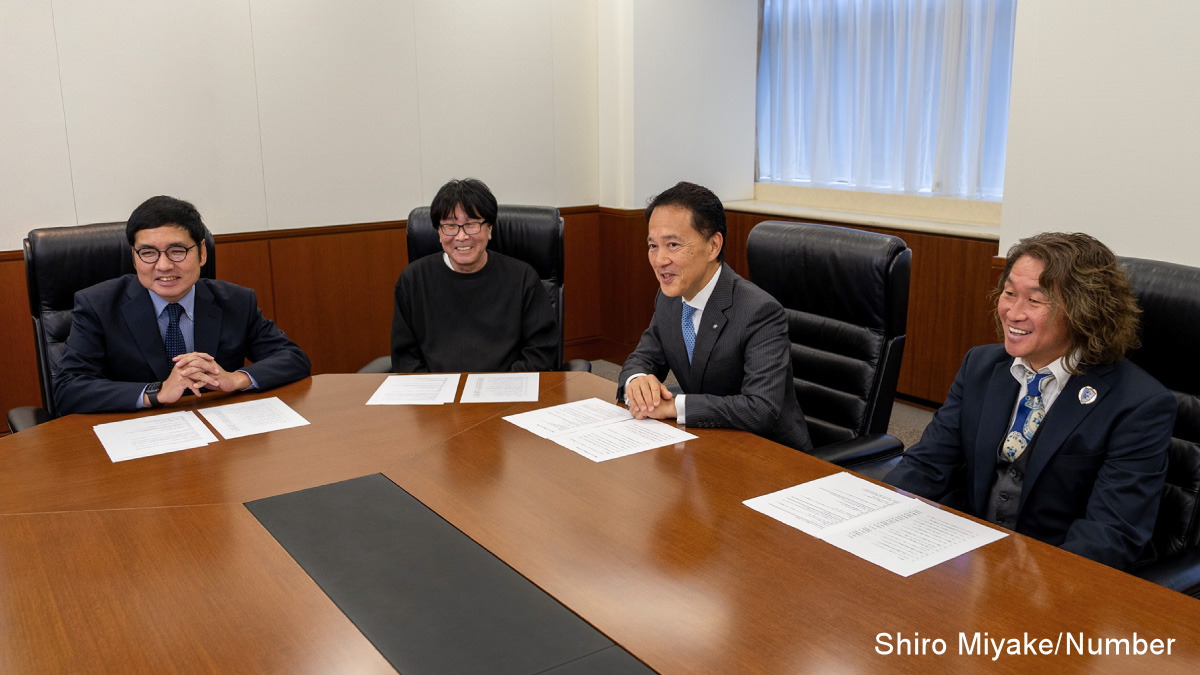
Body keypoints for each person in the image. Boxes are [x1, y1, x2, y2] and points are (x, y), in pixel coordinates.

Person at [886, 232, 1174, 570]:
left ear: (1084, 311)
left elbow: (1108, 535)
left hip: (1057, 572)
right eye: (1009, 293)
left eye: (1035, 301)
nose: (1013, 312)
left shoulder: (1140, 404)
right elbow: (928, 464)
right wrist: (874, 513)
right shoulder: (981, 366)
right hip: (975, 558)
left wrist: (1028, 589)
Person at [53, 196, 311, 415]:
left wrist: (235, 379)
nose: (164, 266)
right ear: (134, 256)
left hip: (219, 430)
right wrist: (156, 392)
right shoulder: (98, 305)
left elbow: (292, 358)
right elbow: (68, 389)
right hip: (138, 436)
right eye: (148, 253)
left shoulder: (236, 301)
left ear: (202, 252)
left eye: (177, 251)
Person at [618, 181, 811, 452]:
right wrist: (637, 380)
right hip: (710, 442)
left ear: (713, 246)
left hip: (771, 454)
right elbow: (643, 358)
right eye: (653, 246)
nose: (660, 260)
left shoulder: (760, 312)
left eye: (672, 244)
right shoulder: (669, 298)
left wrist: (675, 406)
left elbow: (761, 409)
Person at [390, 178, 558, 373]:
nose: (461, 236)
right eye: (450, 226)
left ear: (489, 229)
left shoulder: (522, 278)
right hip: (437, 389)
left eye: (471, 224)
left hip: (506, 388)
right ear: (439, 232)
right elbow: (405, 358)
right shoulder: (413, 280)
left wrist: (503, 387)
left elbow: (541, 352)